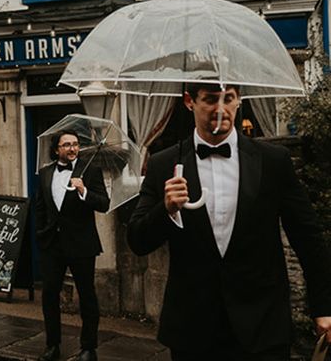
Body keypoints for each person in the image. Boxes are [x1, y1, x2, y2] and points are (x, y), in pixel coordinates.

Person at [127, 83, 331, 360]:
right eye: (210, 100)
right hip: (193, 331)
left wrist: (323, 307)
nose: (220, 109)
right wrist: (166, 209)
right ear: (190, 101)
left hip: (263, 327)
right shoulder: (164, 164)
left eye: (228, 99)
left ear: (239, 101)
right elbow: (138, 241)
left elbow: (308, 236)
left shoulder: (273, 161)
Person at [33, 130, 109, 361]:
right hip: (52, 245)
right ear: (56, 149)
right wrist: (41, 232)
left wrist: (84, 190)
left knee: (87, 295)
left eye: (75, 144)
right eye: (66, 145)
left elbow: (104, 204)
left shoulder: (89, 171)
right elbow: (40, 206)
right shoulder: (45, 173)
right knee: (49, 296)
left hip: (81, 244)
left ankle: (88, 348)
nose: (72, 148)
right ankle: (52, 345)